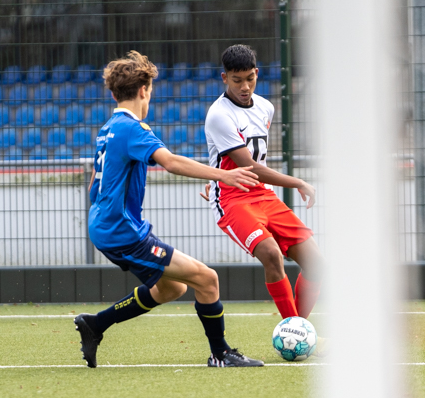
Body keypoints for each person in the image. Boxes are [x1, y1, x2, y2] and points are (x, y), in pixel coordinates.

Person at [74, 51, 264, 368]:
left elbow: (97, 184)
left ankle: (96, 324)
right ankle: (221, 354)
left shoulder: (108, 128)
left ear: (112, 93)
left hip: (107, 225)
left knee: (172, 288)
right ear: (145, 90)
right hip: (121, 231)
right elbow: (171, 162)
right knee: (207, 279)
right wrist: (224, 174)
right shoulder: (133, 129)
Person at [201, 44, 323, 319]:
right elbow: (250, 167)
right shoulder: (219, 115)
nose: (245, 86)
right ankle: (293, 326)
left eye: (250, 78)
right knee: (271, 253)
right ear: (224, 78)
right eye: (237, 80)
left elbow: (259, 166)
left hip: (264, 196)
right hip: (232, 199)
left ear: (257, 73)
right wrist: (298, 182)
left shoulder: (266, 108)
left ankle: (297, 332)